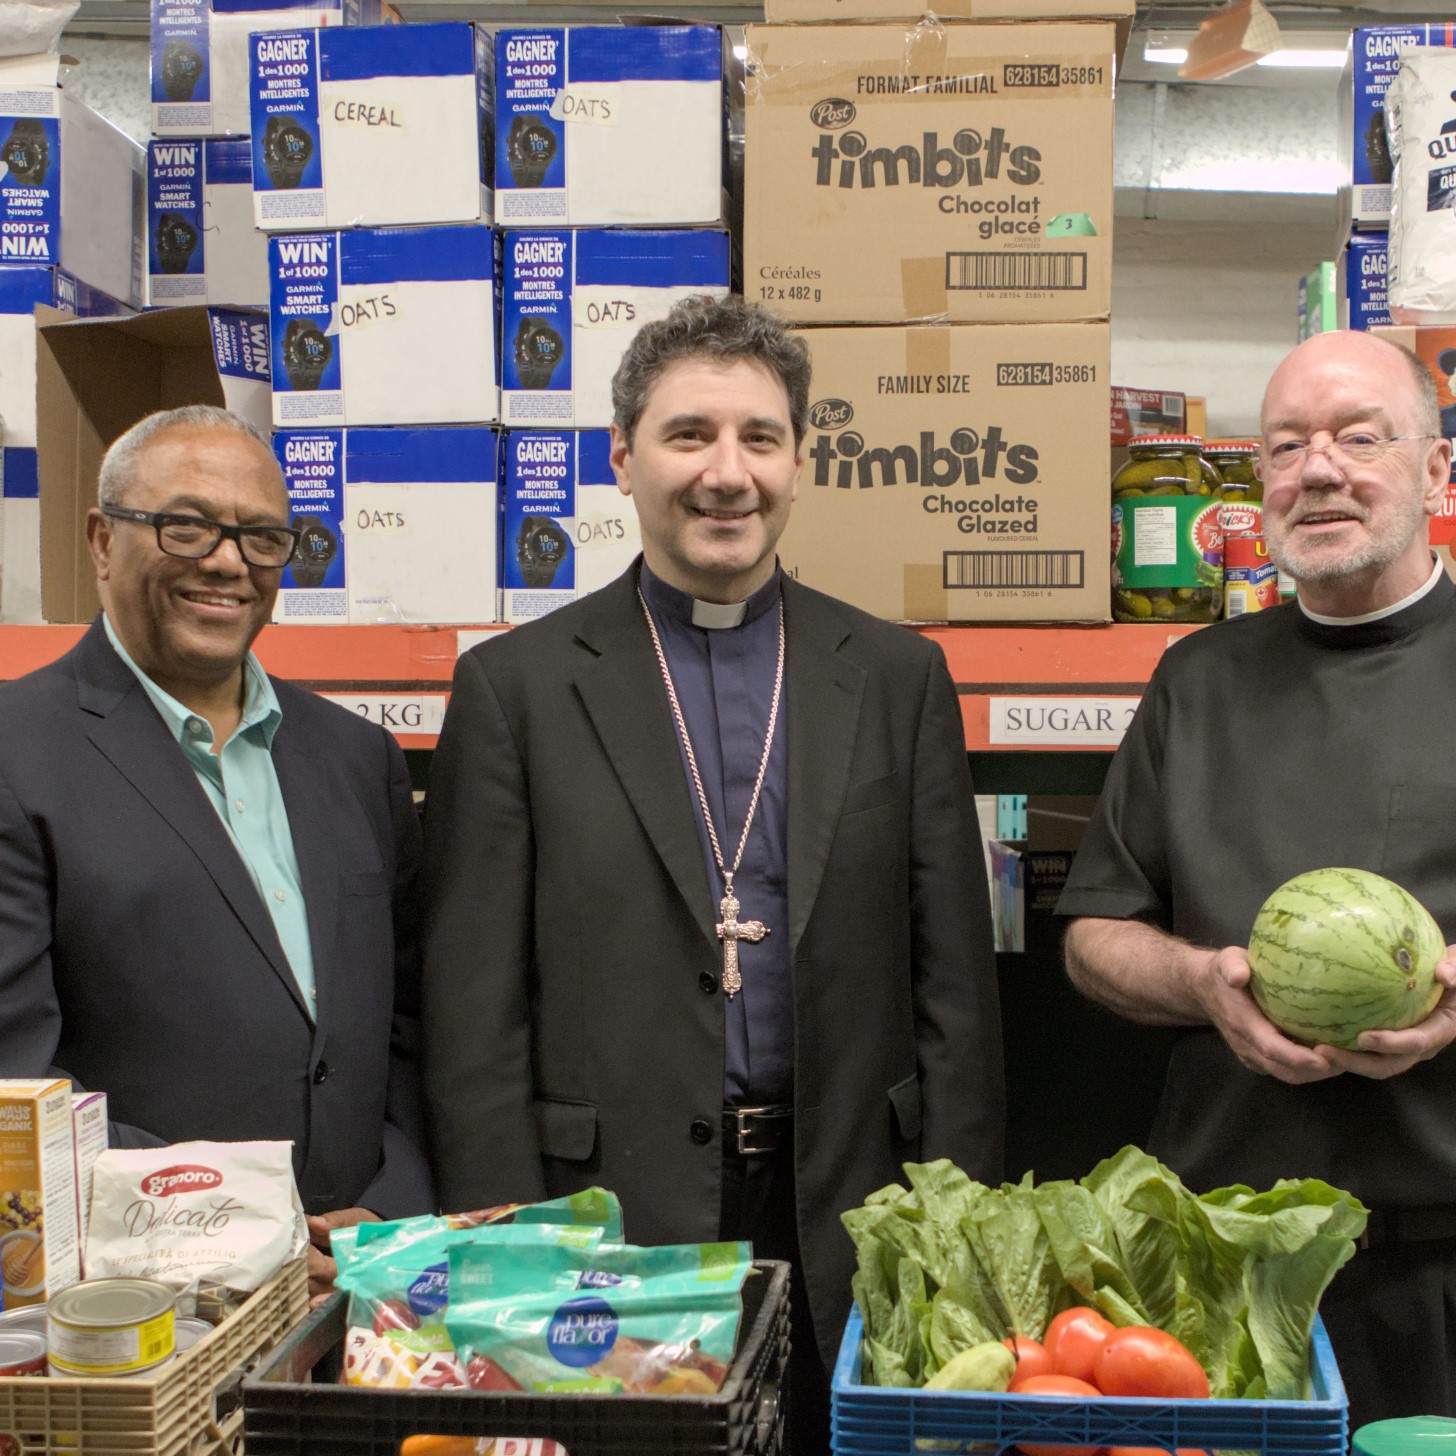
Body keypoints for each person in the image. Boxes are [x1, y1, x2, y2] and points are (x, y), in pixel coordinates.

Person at [421, 294, 1004, 1453]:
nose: (725, 473)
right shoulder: (516, 689)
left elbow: (956, 989)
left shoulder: (895, 676)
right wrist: (509, 1249)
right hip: (606, 1215)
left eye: (760, 438)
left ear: (800, 461)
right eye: (689, 435)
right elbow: (471, 1010)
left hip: (848, 1196)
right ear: (622, 457)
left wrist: (962, 1222)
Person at [1058, 329, 1456, 1428]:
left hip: (1438, 1254)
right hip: (1217, 1246)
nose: (1318, 468)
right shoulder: (1196, 678)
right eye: (1287, 445)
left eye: (1357, 437)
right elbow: (1096, 929)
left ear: (1433, 470)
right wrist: (1201, 986)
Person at [0, 406, 433, 1297]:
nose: (230, 562)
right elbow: (16, 1085)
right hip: (145, 1305)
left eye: (263, 536)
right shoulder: (18, 750)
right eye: (186, 525)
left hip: (359, 1283)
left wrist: (390, 1206)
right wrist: (247, 1228)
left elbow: (407, 1029)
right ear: (101, 540)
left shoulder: (358, 759)